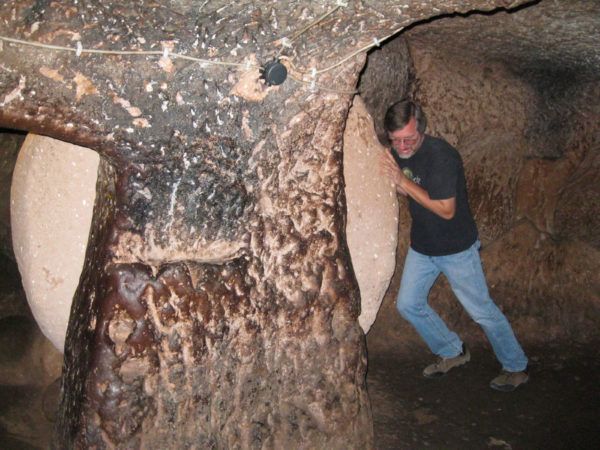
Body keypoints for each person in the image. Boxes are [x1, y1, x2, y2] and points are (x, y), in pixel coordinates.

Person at [379, 99, 528, 392]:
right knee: (408, 304)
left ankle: (516, 366)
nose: (403, 147)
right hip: (423, 246)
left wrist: (401, 181)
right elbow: (402, 185)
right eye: (396, 140)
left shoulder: (442, 156)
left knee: (481, 310)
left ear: (420, 129)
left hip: (456, 248)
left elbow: (446, 209)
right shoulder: (398, 152)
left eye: (408, 139)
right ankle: (451, 350)